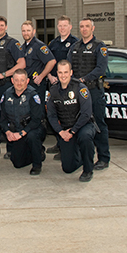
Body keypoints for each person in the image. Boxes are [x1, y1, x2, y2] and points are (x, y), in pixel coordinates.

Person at [68, 17, 110, 171]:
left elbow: (100, 68)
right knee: (77, 123)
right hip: (77, 92)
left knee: (98, 124)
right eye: (82, 26)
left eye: (87, 26)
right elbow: (68, 67)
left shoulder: (100, 46)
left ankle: (103, 158)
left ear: (93, 28)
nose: (84, 29)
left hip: (93, 91)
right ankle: (82, 157)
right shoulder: (74, 47)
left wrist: (83, 79)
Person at [46, 60, 96, 182]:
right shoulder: (53, 91)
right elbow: (51, 115)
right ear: (57, 73)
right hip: (65, 128)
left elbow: (86, 114)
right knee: (68, 168)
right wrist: (61, 132)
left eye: (66, 72)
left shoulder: (80, 88)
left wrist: (72, 131)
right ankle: (82, 156)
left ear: (71, 73)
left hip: (83, 125)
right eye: (60, 72)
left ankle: (88, 169)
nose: (63, 75)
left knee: (85, 137)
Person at [0, 69, 47, 175]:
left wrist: (22, 133)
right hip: (17, 130)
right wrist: (8, 132)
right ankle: (36, 152)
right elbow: (2, 118)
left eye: (22, 80)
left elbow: (36, 119)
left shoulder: (32, 95)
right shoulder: (7, 94)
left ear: (27, 81)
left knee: (32, 136)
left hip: (33, 129)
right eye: (16, 80)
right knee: (17, 163)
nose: (19, 83)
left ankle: (37, 164)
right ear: (12, 80)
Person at [45, 15, 79, 155]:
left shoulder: (75, 43)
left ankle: (68, 146)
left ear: (70, 27)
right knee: (56, 114)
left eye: (65, 25)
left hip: (68, 85)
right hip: (54, 83)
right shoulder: (53, 43)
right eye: (60, 26)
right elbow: (47, 61)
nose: (62, 28)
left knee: (68, 116)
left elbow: (76, 65)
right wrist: (49, 76)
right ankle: (59, 143)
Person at [0, 16, 26, 98]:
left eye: (2, 25)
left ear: (6, 27)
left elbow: (22, 64)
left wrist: (4, 74)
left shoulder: (13, 43)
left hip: (6, 85)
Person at [20, 20, 56, 105]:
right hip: (26, 85)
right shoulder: (23, 47)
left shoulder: (39, 46)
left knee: (38, 111)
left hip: (36, 85)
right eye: (24, 31)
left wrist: (41, 76)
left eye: (28, 30)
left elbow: (51, 61)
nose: (26, 33)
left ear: (34, 31)